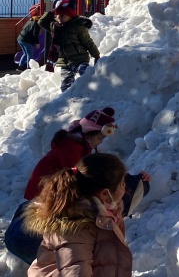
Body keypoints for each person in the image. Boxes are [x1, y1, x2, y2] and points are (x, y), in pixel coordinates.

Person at [4, 107, 150, 264]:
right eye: (100, 139)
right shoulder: (73, 150)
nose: (100, 143)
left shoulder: (78, 147)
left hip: (31, 214)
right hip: (37, 213)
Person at [23, 153, 133, 276]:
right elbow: (75, 270)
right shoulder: (77, 226)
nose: (125, 188)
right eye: (122, 184)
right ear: (104, 194)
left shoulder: (107, 212)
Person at [38, 0, 100, 92]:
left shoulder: (77, 27)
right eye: (57, 15)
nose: (59, 18)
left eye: (62, 16)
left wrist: (96, 55)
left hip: (79, 59)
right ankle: (68, 98)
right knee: (66, 85)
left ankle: (91, 91)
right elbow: (41, 22)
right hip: (64, 62)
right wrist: (52, 12)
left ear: (71, 16)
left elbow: (88, 42)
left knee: (85, 74)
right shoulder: (55, 27)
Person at [17, 5, 42, 71]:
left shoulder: (31, 20)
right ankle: (29, 69)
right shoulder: (37, 23)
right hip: (27, 40)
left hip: (20, 38)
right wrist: (37, 43)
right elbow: (35, 34)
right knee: (29, 55)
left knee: (25, 53)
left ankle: (20, 66)